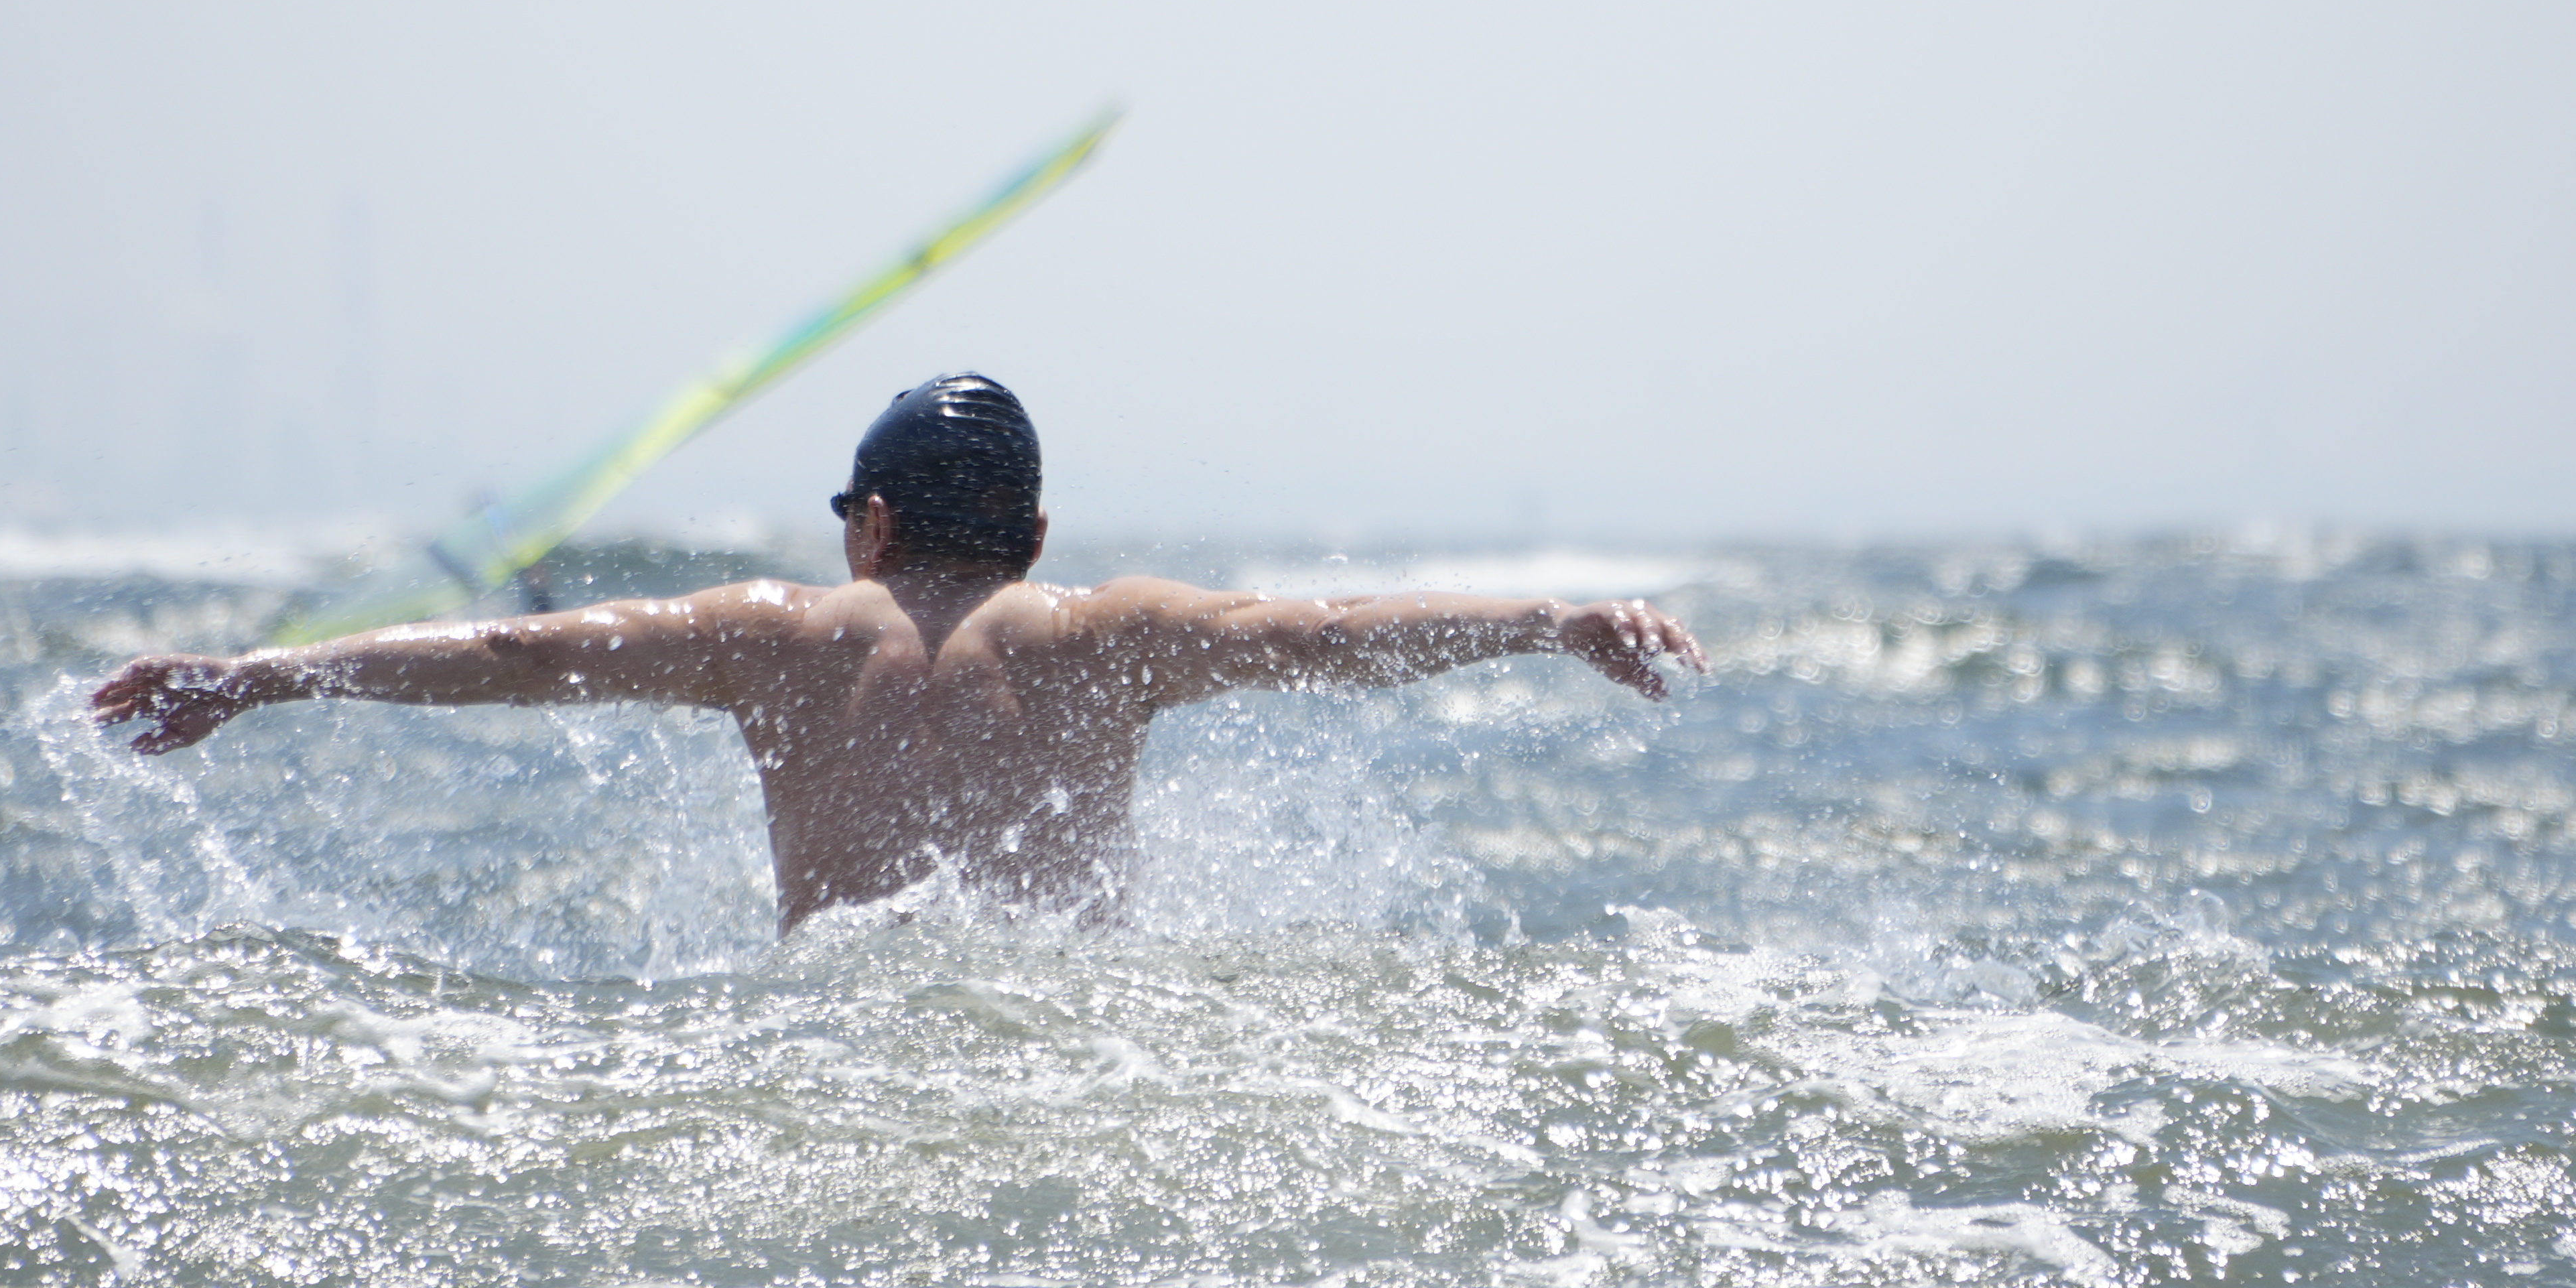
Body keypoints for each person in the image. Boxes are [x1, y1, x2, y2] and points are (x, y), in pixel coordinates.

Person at [89, 373, 1708, 930]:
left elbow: (520, 652)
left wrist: (269, 674)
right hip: (1063, 1055)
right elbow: (1334, 637)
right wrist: (1550, 624)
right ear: (1036, 534)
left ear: (869, 524)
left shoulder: (769, 636)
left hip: (837, 1045)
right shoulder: (1111, 633)